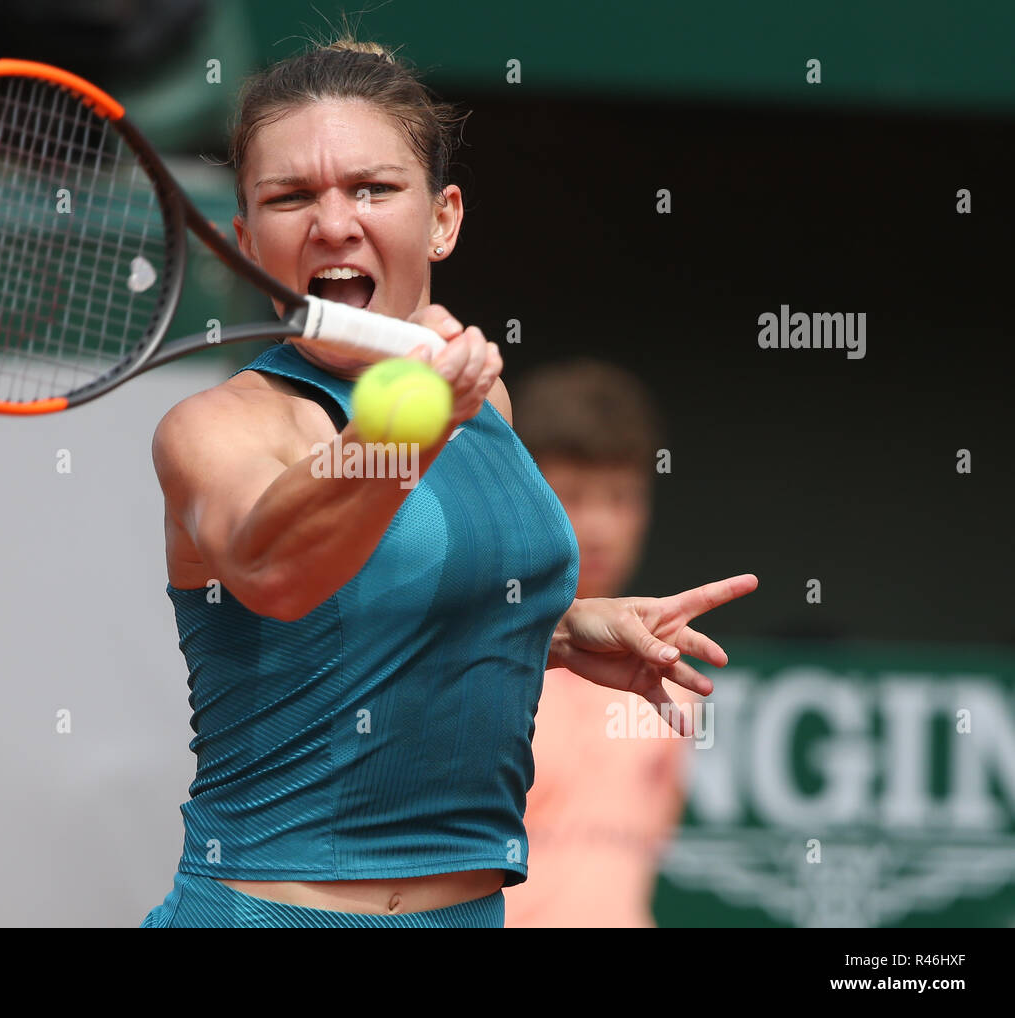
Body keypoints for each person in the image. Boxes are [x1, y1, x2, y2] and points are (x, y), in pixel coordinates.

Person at [141, 34, 756, 928]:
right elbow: (279, 574)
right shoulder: (215, 428)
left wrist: (564, 626)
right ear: (244, 239)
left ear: (443, 219)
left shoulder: (484, 401)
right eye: (291, 197)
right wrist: (407, 421)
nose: (333, 222)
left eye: (373, 188)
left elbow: (390, 607)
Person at [503, 359, 697, 927]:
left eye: (622, 497)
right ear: (526, 497)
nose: (601, 527)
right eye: (575, 495)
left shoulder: (673, 679)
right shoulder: (474, 652)